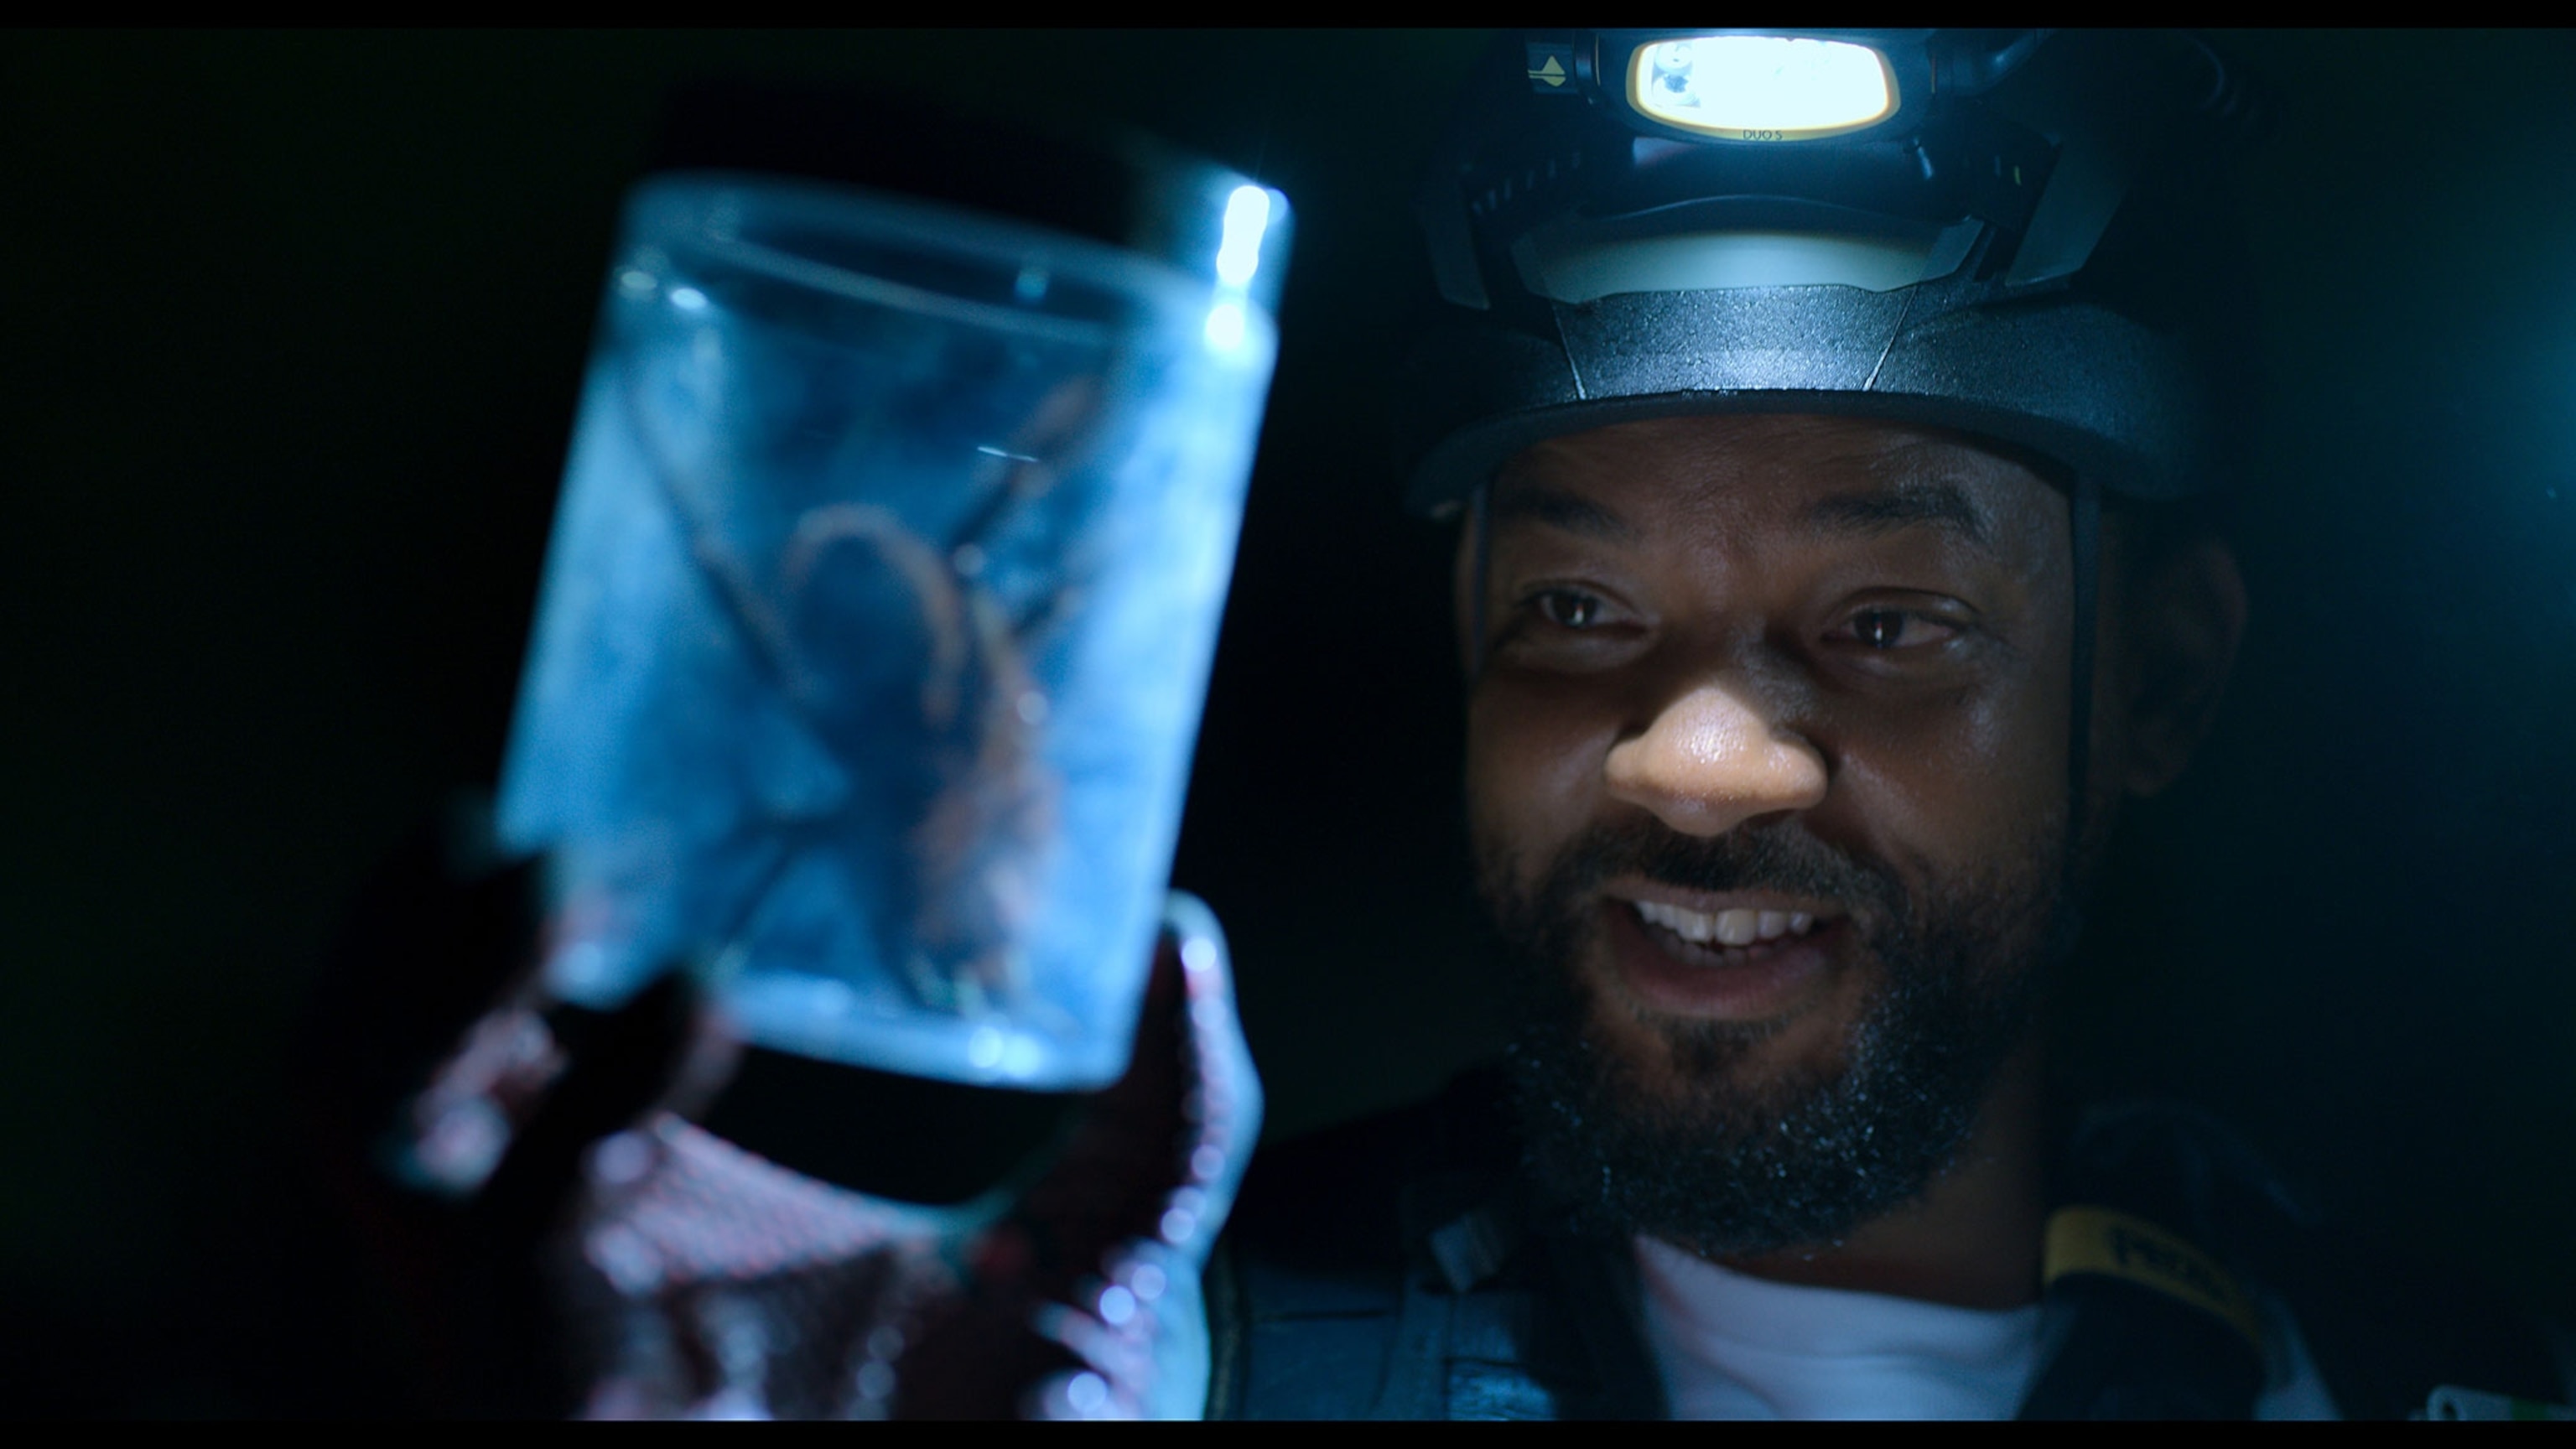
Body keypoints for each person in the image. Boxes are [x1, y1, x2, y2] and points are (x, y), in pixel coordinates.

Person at [1201, 29, 2574, 1420]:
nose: (1696, 764)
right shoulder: (1149, 1344)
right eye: (1575, 607)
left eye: (1884, 625)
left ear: (2159, 682)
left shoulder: (2419, 1384)